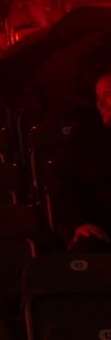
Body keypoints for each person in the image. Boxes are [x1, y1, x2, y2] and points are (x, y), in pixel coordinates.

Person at [61, 70, 111, 251]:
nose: (101, 103)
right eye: (98, 97)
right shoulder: (85, 137)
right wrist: (80, 223)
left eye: (107, 95)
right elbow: (63, 185)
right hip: (100, 227)